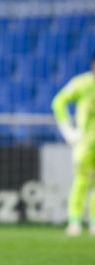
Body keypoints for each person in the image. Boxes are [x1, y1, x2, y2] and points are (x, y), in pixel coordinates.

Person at [52, 52, 95, 236]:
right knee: (82, 181)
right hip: (85, 144)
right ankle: (75, 221)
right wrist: (67, 129)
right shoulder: (83, 83)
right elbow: (59, 101)